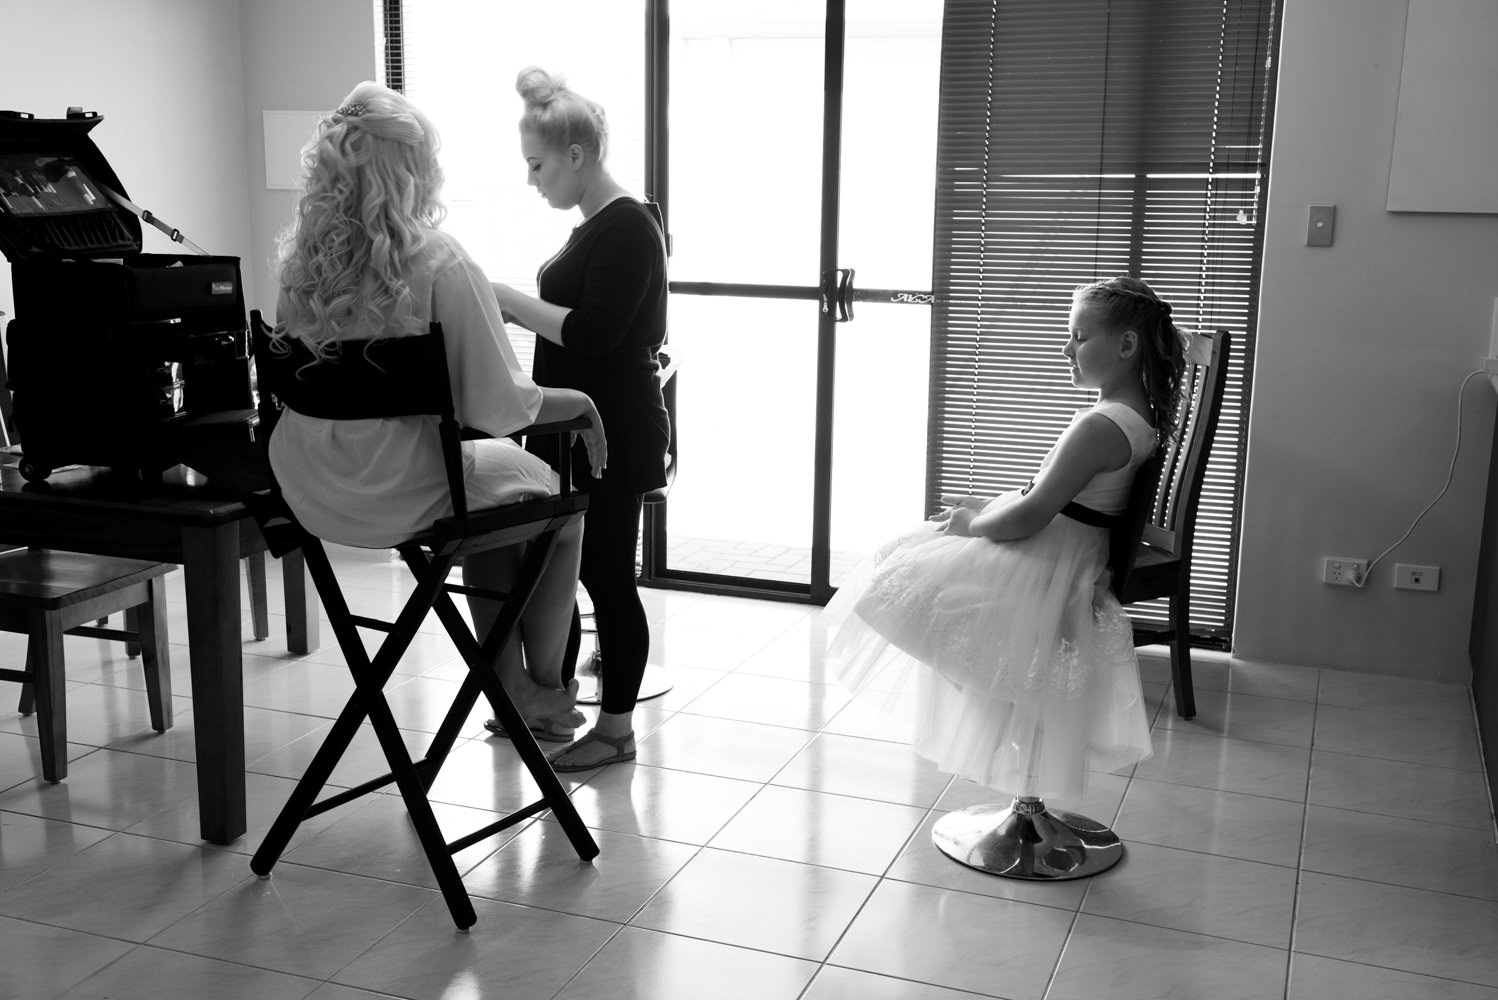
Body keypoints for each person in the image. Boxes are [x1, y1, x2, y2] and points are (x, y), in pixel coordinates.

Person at [266, 81, 606, 735]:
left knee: (499, 503)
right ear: (411, 171)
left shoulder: (300, 265)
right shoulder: (440, 264)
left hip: (309, 489)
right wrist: (585, 404)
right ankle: (538, 692)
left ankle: (511, 693)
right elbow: (502, 404)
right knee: (558, 510)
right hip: (405, 492)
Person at [821, 276, 1186, 798]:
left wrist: (976, 523)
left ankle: (1007, 710)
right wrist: (986, 506)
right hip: (1068, 554)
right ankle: (1003, 706)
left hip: (1046, 568)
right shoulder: (1133, 420)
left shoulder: (1100, 427)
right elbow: (1051, 499)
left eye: (1080, 337)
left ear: (1127, 346)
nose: (1066, 349)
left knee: (898, 580)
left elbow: (1032, 514)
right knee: (921, 552)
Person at [489, 66, 670, 771]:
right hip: (576, 428)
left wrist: (509, 299)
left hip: (614, 430)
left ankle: (616, 729)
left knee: (605, 576)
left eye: (538, 165)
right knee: (562, 569)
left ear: (576, 156)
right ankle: (550, 703)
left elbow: (594, 335)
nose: (533, 180)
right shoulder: (598, 225)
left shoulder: (627, 225)